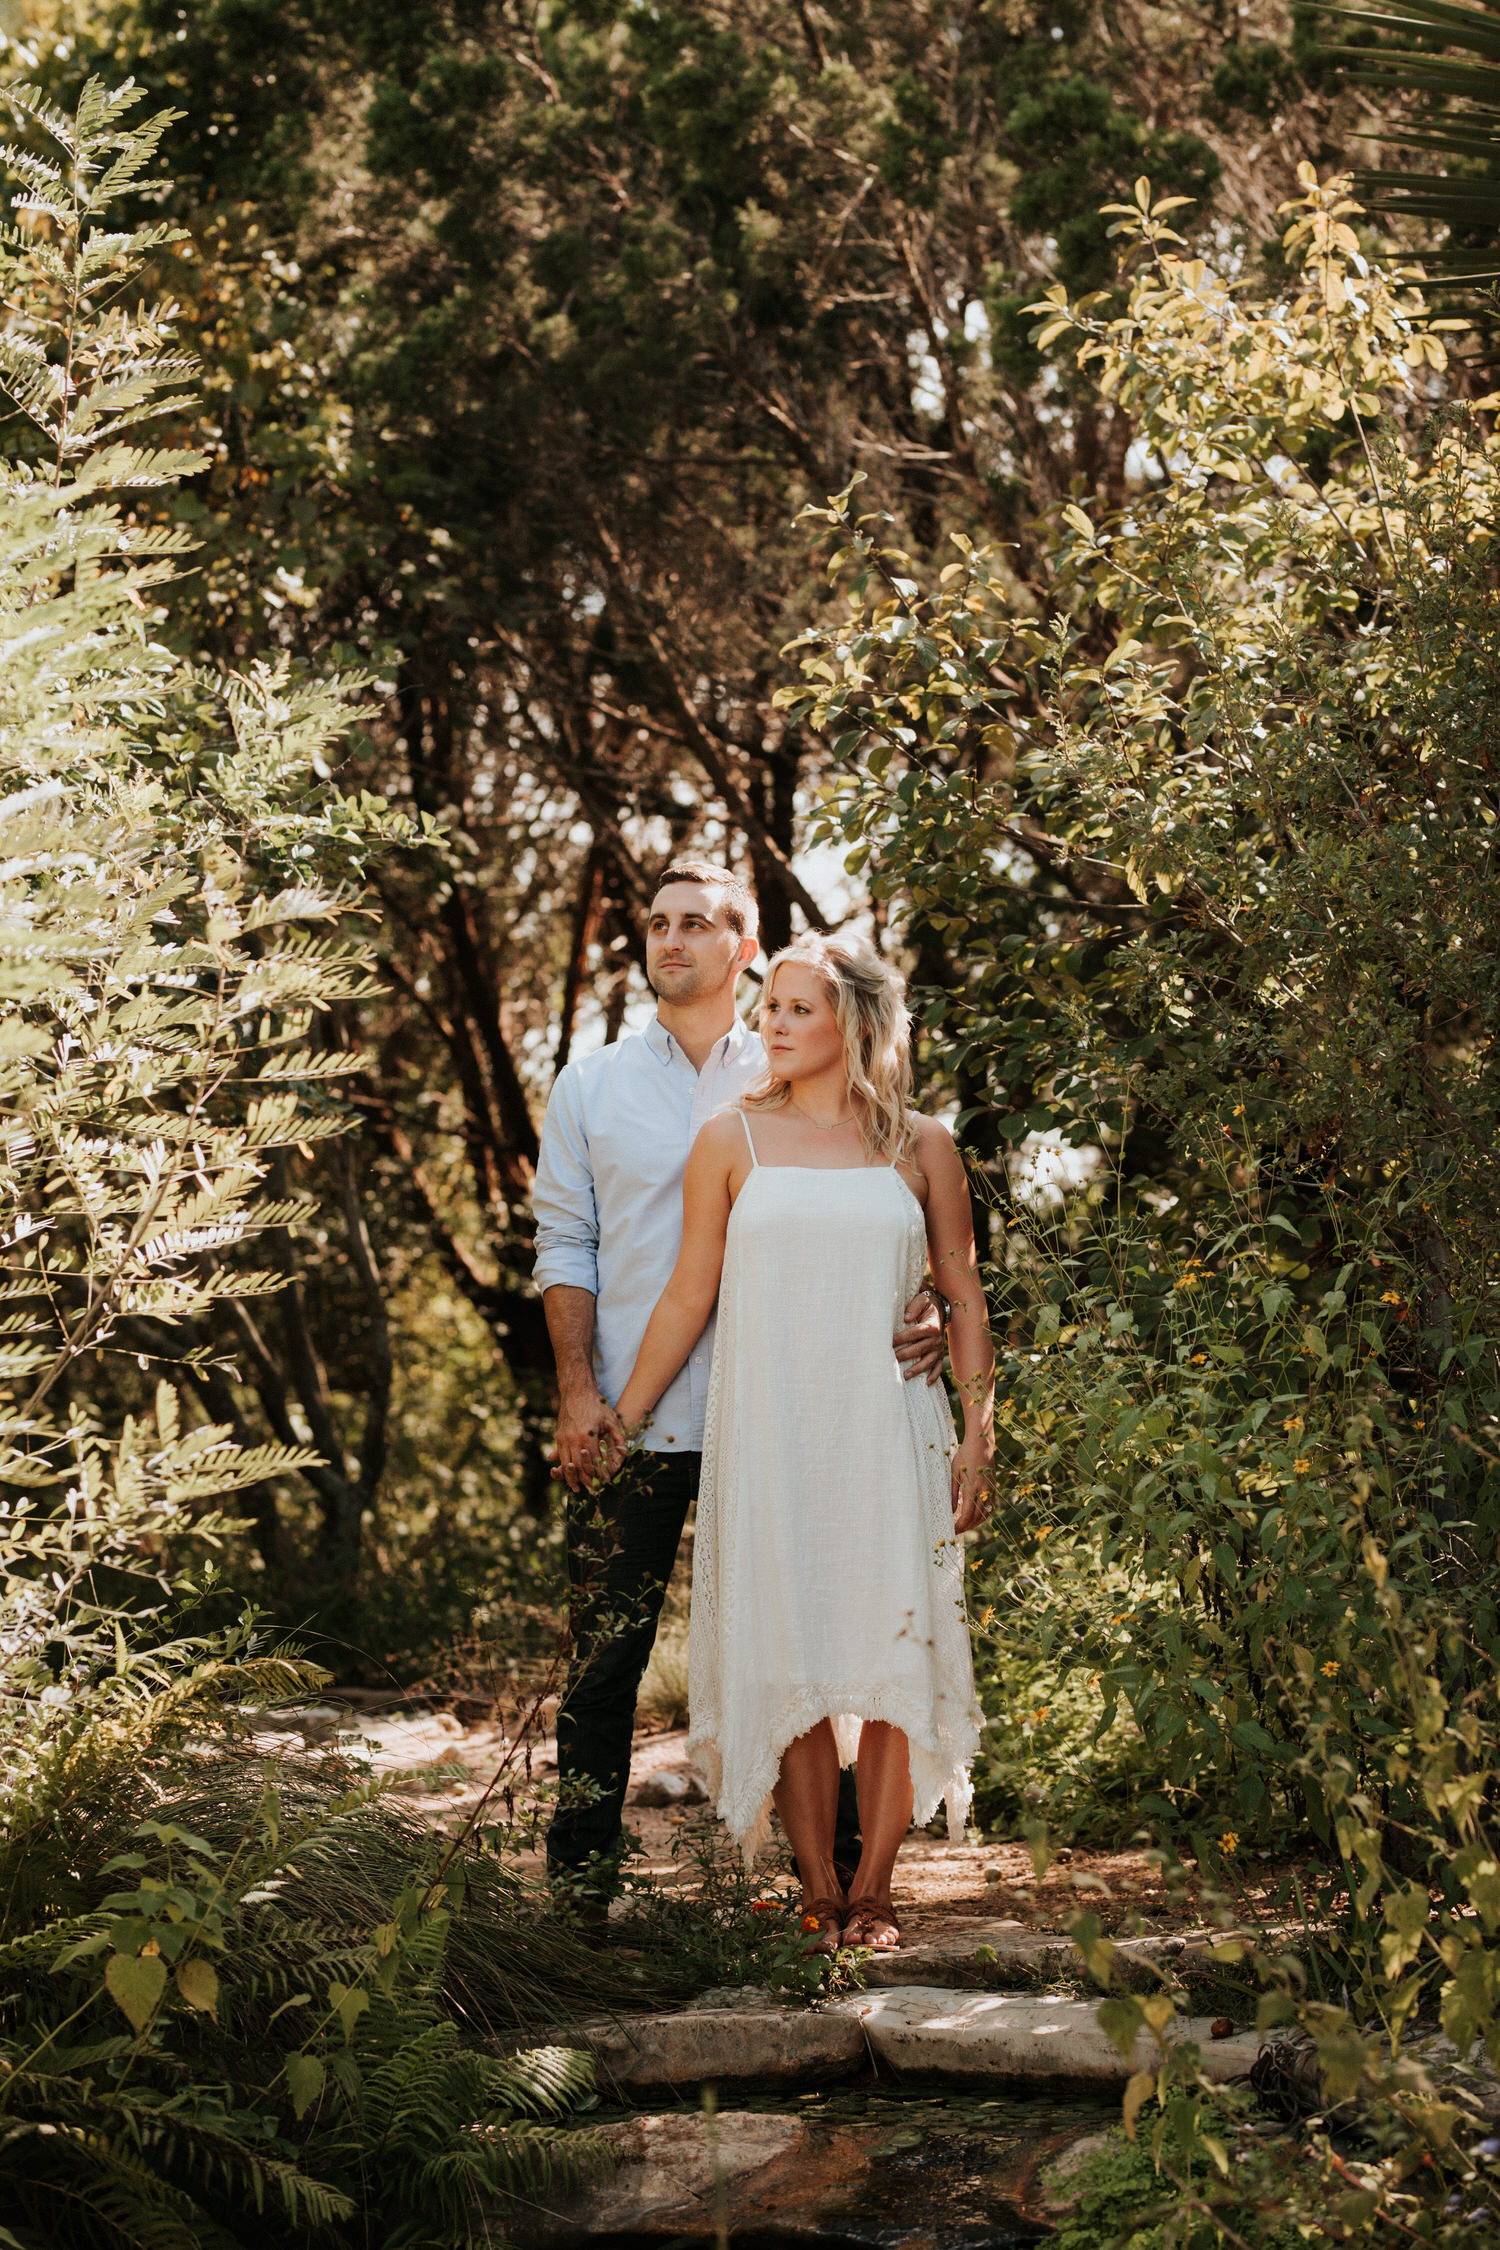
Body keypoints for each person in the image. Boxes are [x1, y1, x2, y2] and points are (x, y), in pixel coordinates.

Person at [532, 864, 947, 1898]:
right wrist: (582, 1395)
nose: (668, 939)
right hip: (644, 1415)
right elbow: (564, 1245)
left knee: (821, 1642)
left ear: (745, 941)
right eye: (655, 922)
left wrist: (926, 1301)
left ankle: (841, 1885)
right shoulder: (591, 1084)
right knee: (603, 1664)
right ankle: (583, 1896)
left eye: (693, 923)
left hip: (796, 1421)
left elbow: (897, 1212)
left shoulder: (800, 1053)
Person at [614, 931, 993, 1953]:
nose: (771, 1026)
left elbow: (960, 1293)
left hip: (891, 1426)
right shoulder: (729, 1141)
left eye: (794, 1009)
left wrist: (979, 1435)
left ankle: (875, 1892)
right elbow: (689, 1293)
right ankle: (818, 1887)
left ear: (855, 1026)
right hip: (773, 1433)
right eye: (768, 1008)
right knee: (789, 1656)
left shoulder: (924, 1144)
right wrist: (624, 1417)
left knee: (892, 1649)